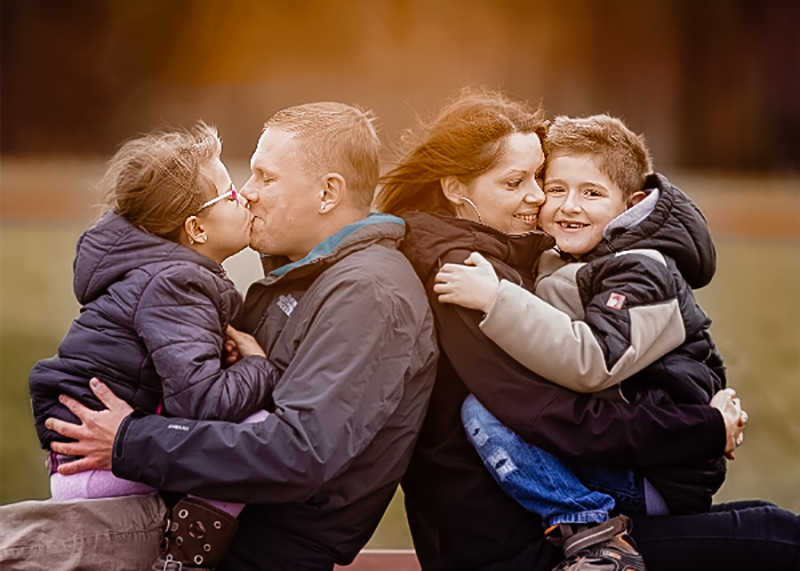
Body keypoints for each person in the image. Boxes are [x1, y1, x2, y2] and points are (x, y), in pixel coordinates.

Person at [375, 87, 800, 571]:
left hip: (544, 515)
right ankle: (592, 533)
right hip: (520, 543)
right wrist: (706, 427)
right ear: (455, 189)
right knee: (776, 537)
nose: (540, 198)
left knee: (772, 528)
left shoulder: (526, 257)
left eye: (539, 178)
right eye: (520, 182)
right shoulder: (463, 272)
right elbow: (552, 411)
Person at [1, 102, 438, 571]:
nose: (247, 194)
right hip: (181, 520)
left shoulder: (369, 294)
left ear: (328, 193)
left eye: (265, 177)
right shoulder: (297, 277)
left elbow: (299, 454)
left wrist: (130, 440)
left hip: (253, 552)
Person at [432, 113, 732, 570]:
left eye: (591, 193)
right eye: (556, 189)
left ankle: (590, 531)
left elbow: (593, 360)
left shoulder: (643, 268)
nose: (569, 206)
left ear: (630, 205)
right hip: (620, 451)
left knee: (486, 412)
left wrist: (497, 298)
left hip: (655, 473)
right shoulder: (571, 257)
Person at [26, 122, 276, 569]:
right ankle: (182, 559)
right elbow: (205, 404)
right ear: (196, 229)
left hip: (87, 464)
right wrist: (257, 366)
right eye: (232, 194)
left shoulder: (159, 275)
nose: (247, 198)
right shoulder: (176, 283)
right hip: (101, 470)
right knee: (256, 430)